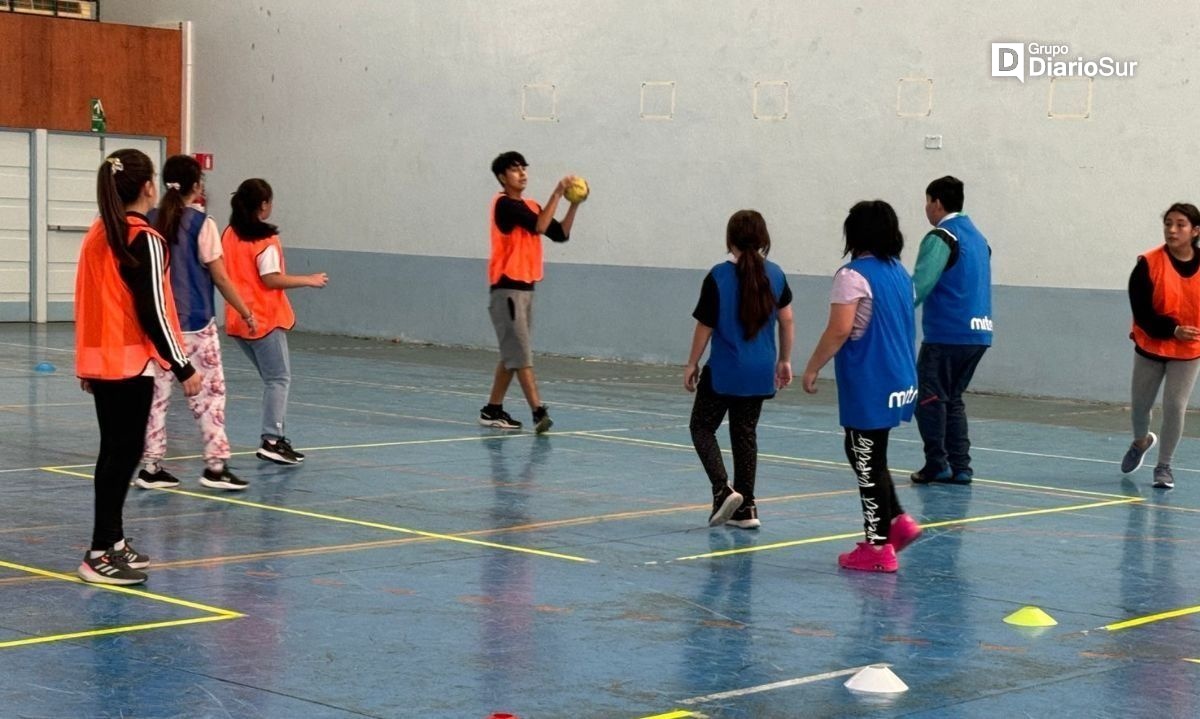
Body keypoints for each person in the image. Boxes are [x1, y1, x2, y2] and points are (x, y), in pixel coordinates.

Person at [74, 149, 201, 585]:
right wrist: (183, 366)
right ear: (149, 186)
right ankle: (98, 551)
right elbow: (154, 310)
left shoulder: (98, 233)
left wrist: (87, 362)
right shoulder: (141, 237)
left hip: (103, 358)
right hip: (128, 361)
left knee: (114, 452)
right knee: (121, 455)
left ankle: (111, 541)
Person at [802, 200, 922, 573]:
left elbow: (841, 329)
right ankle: (897, 521)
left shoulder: (852, 275)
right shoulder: (899, 273)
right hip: (899, 376)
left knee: (866, 459)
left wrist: (812, 366)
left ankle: (877, 547)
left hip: (871, 379)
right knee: (866, 452)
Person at [134, 155, 257, 491]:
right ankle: (216, 466)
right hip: (196, 325)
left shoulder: (148, 220)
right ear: (198, 186)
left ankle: (151, 465)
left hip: (158, 328)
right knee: (210, 396)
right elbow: (220, 276)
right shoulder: (204, 225)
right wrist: (245, 311)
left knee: (156, 399)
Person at [684, 210, 794, 529]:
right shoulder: (776, 274)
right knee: (744, 434)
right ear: (763, 240)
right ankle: (746, 507)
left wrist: (692, 363)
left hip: (726, 370)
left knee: (702, 427)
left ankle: (722, 491)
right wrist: (784, 360)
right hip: (760, 371)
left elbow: (705, 326)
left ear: (729, 240)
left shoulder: (718, 275)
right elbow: (787, 320)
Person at [221, 178, 328, 465]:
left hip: (238, 320)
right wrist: (309, 280)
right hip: (263, 320)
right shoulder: (265, 240)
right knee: (278, 379)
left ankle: (275, 436)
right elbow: (270, 279)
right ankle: (271, 439)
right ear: (263, 205)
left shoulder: (229, 234)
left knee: (272, 379)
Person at [478, 151, 583, 433]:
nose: (522, 173)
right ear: (502, 177)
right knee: (521, 353)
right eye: (515, 170)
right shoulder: (504, 205)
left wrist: (574, 205)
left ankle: (492, 409)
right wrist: (558, 192)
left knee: (512, 353)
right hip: (507, 289)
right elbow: (538, 226)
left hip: (526, 289)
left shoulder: (532, 205)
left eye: (524, 168)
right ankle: (538, 412)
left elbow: (559, 233)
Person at [910, 176, 993, 485]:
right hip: (979, 333)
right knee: (952, 398)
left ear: (937, 203)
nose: (926, 209)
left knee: (928, 398)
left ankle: (937, 462)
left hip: (947, 333)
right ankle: (961, 466)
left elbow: (920, 284)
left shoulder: (942, 237)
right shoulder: (978, 238)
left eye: (927, 202)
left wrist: (890, 311)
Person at [1120, 203, 1200, 489]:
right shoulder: (1147, 264)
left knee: (1175, 407)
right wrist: (1173, 330)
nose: (1172, 229)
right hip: (1151, 344)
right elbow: (1141, 311)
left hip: (1188, 350)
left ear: (1195, 231)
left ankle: (1164, 466)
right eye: (1168, 223)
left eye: (1180, 224)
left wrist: (1184, 335)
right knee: (1140, 407)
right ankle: (1141, 442)